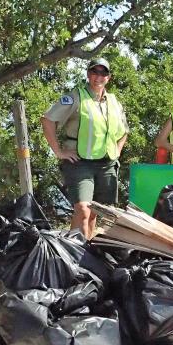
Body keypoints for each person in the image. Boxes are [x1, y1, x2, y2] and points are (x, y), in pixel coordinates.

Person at [41, 58, 129, 239]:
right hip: (79, 162)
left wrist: (118, 150)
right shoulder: (74, 97)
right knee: (82, 208)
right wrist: (58, 151)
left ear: (109, 77)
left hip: (106, 163)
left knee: (94, 211)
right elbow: (47, 120)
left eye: (103, 73)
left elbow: (124, 131)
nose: (99, 77)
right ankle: (76, 253)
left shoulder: (114, 102)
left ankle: (81, 252)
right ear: (88, 74)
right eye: (95, 72)